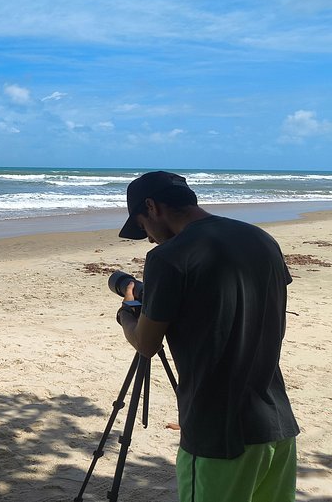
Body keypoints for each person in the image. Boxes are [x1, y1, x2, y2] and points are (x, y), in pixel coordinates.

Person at [115, 171, 299, 502]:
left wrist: (128, 312)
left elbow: (147, 343)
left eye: (143, 227)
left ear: (151, 206)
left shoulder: (168, 257)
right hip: (278, 426)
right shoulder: (261, 239)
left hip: (219, 435)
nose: (150, 239)